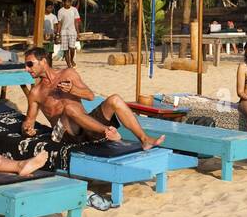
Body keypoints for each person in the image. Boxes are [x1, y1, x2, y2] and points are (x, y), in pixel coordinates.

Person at [21, 47, 161, 149]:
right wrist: (27, 130)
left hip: (86, 124)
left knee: (115, 99)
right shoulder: (36, 92)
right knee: (69, 108)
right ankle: (107, 131)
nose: (27, 69)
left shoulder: (68, 73)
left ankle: (144, 139)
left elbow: (90, 96)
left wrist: (73, 89)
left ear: (43, 61)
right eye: (26, 66)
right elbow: (29, 122)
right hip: (66, 135)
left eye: (29, 64)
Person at [56, 0, 80, 68]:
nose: (68, 3)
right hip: (64, 32)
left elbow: (76, 22)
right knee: (65, 49)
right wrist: (58, 34)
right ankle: (69, 65)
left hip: (72, 32)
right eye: (66, 2)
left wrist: (78, 32)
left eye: (69, 2)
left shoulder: (74, 10)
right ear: (63, 2)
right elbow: (59, 23)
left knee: (72, 48)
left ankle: (71, 60)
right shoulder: (60, 11)